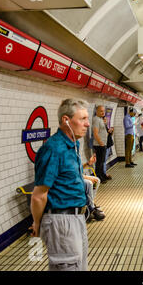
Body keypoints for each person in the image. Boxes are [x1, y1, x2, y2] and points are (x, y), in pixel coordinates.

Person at [29, 98, 90, 271]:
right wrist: (37, 224)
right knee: (68, 267)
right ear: (66, 120)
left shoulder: (73, 145)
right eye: (83, 119)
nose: (87, 124)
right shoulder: (53, 149)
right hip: (61, 221)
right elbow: (39, 194)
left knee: (78, 267)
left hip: (77, 218)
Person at [82, 155, 106, 221]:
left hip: (78, 176)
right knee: (88, 183)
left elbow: (78, 169)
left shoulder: (74, 152)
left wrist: (88, 163)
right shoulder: (64, 155)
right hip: (70, 180)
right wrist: (85, 177)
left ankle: (91, 203)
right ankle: (91, 209)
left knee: (97, 180)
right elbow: (71, 173)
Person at [92, 105, 110, 182]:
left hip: (103, 143)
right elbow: (95, 133)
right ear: (97, 111)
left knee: (102, 161)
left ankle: (102, 174)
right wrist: (101, 143)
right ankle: (98, 177)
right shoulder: (96, 120)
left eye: (104, 111)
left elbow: (103, 130)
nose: (103, 112)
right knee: (99, 162)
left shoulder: (101, 119)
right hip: (99, 145)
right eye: (101, 111)